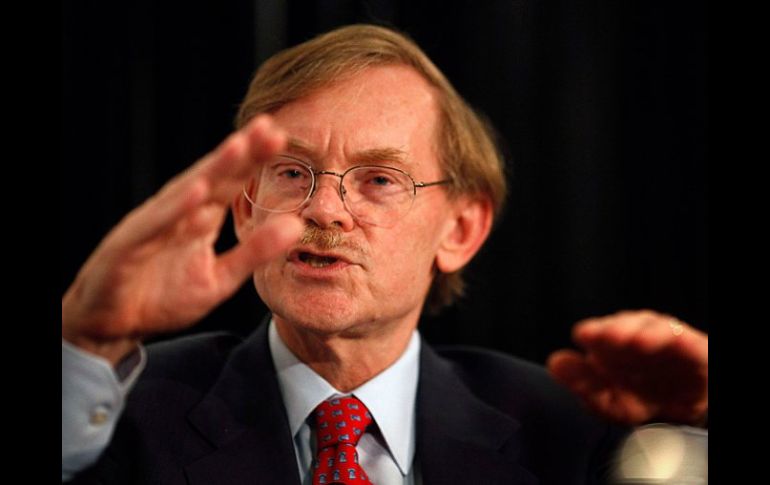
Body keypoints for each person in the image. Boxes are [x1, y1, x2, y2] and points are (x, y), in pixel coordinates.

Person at [62, 24, 707, 484]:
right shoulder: (118, 414)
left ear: (460, 230)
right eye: (292, 172)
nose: (325, 209)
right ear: (244, 207)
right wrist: (83, 341)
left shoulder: (568, 430)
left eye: (379, 179)